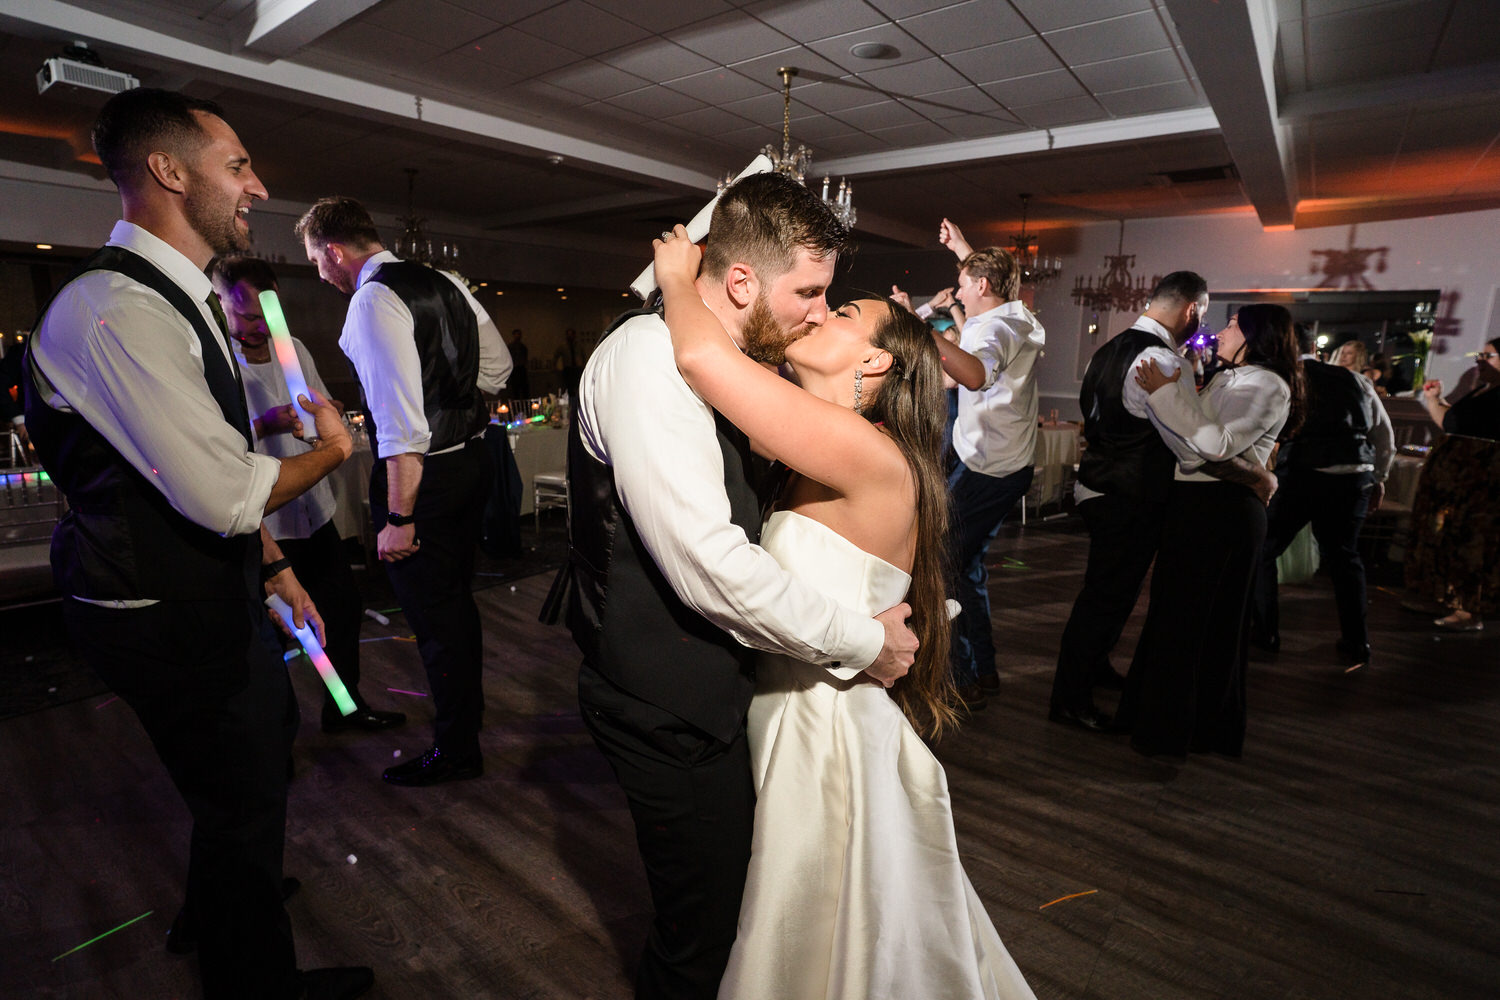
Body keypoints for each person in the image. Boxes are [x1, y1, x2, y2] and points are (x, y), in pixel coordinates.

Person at [23, 88, 370, 999]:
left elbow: (196, 465)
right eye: (239, 165)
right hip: (158, 611)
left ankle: (223, 896)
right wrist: (335, 447)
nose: (257, 186)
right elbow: (223, 491)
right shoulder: (117, 312)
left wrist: (277, 565)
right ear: (170, 173)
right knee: (249, 774)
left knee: (252, 766)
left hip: (196, 591)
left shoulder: (180, 301)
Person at [654, 226, 1036, 1000]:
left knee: (814, 937)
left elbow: (700, 357)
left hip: (821, 733)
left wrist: (675, 280)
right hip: (795, 707)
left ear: (876, 362)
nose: (819, 313)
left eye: (843, 313)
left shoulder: (868, 451)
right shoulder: (824, 447)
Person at [564, 172, 918, 1000]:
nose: (817, 311)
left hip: (730, 696)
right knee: (704, 934)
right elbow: (709, 565)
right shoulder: (650, 361)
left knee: (745, 917)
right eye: (809, 291)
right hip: (665, 702)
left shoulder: (735, 364)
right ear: (740, 281)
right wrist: (866, 641)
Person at [296, 196, 512, 786]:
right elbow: (496, 370)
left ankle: (456, 750)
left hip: (425, 483)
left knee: (437, 620)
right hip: (472, 465)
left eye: (317, 260)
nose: (320, 272)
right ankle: (464, 730)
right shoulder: (444, 280)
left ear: (334, 251)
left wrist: (399, 516)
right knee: (455, 608)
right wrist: (446, 397)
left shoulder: (371, 300)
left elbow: (399, 428)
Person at [210, 255, 407, 733]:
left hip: (313, 513)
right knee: (271, 635)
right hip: (263, 524)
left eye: (268, 315)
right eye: (249, 317)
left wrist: (327, 414)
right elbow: (210, 451)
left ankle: (345, 707)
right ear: (223, 306)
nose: (260, 327)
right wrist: (263, 423)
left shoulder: (291, 347)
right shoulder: (216, 362)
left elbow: (320, 403)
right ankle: (275, 740)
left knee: (341, 609)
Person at [1115, 305, 1305, 759]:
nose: (1219, 333)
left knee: (1203, 623)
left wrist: (1165, 395)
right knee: (1173, 616)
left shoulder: (1268, 384)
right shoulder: (1227, 378)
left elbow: (1213, 444)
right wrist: (1165, 399)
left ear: (1257, 335)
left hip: (1225, 512)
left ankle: (1186, 730)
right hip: (1196, 504)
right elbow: (1190, 449)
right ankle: (1157, 719)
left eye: (1233, 325)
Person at [1050, 273, 1221, 731]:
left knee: (1110, 593)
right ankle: (1069, 698)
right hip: (1131, 495)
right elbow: (1187, 440)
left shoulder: (1107, 349)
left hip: (1096, 486)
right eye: (1202, 314)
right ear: (1192, 310)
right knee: (1105, 598)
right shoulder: (1163, 361)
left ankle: (1095, 667)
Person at [930, 218, 1046, 709]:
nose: (957, 288)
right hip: (999, 462)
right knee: (965, 565)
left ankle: (966, 675)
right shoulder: (1020, 316)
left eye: (963, 282)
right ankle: (983, 670)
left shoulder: (996, 327)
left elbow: (972, 375)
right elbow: (988, 286)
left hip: (989, 469)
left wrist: (919, 333)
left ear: (981, 287)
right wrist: (963, 248)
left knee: (940, 564)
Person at [1250, 323, 1394, 666]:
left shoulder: (1285, 378)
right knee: (1345, 558)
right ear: (1316, 348)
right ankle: (1357, 641)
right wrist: (1380, 477)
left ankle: (1266, 633)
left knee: (1263, 550)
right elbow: (1384, 434)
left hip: (1304, 475)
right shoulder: (1356, 380)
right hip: (1354, 476)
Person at [1405, 339, 1500, 630]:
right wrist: (1436, 400)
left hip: (1482, 483)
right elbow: (1453, 425)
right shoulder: (1483, 391)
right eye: (1479, 354)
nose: (1479, 360)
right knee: (1452, 538)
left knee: (1474, 542)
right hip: (1460, 481)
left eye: (1489, 355)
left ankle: (1469, 610)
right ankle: (1449, 598)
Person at [507, 327, 531, 398]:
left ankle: (526, 406)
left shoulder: (523, 347)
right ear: (513, 335)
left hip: (522, 369)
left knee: (524, 389)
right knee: (515, 389)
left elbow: (525, 358)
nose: (518, 336)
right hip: (514, 369)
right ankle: (515, 406)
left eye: (519, 334)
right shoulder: (510, 347)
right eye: (516, 334)